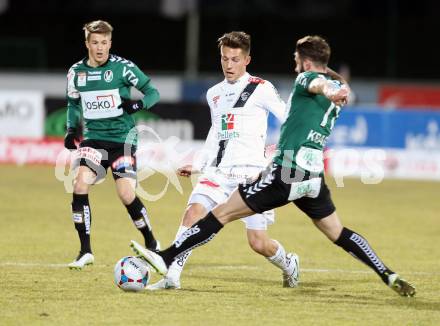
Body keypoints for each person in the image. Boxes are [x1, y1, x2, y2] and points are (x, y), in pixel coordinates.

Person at [130, 35, 416, 297]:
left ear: (305, 62)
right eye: (224, 58)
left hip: (286, 173)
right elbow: (329, 90)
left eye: (296, 59)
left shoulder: (305, 81)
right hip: (312, 177)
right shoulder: (338, 93)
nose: (294, 65)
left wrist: (327, 87)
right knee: (338, 232)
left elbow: (316, 84)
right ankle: (386, 273)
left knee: (224, 216)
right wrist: (336, 88)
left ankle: (165, 257)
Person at [147, 31, 299, 290]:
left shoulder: (260, 89)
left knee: (258, 242)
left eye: (235, 59)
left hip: (252, 175)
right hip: (219, 172)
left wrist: (279, 151)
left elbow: (290, 119)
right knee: (193, 213)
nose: (229, 65)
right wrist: (199, 163)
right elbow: (216, 133)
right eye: (224, 58)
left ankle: (289, 263)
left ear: (247, 60)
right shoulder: (214, 94)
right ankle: (172, 276)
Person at [65, 20, 160, 269]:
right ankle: (85, 251)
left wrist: (138, 105)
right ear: (87, 43)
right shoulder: (76, 72)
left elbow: (152, 92)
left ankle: (152, 244)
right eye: (95, 42)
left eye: (104, 43)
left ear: (110, 42)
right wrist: (71, 129)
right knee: (79, 183)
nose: (100, 48)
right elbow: (73, 104)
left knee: (126, 193)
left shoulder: (123, 68)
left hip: (122, 141)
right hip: (94, 140)